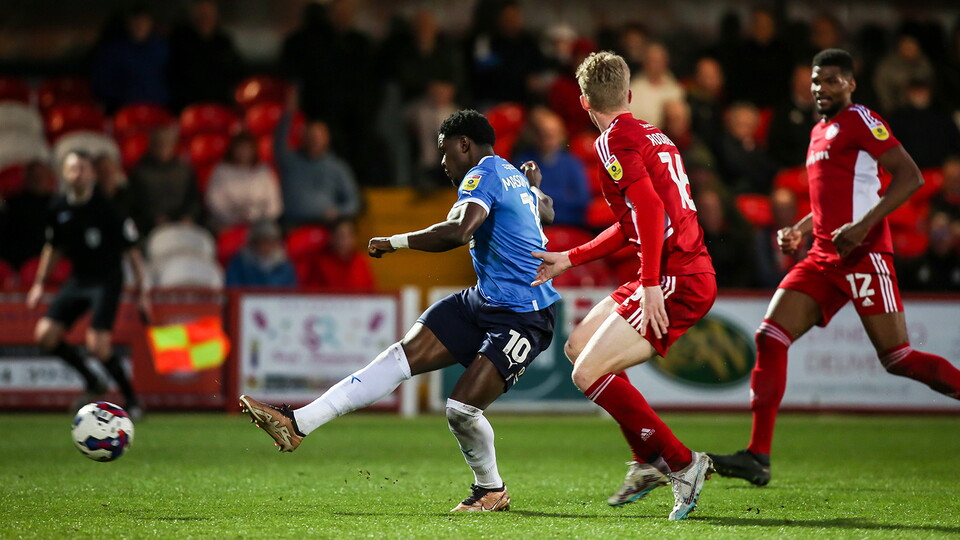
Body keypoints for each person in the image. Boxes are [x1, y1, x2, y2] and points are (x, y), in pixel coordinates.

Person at [239, 110, 560, 512]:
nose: (442, 163)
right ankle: (298, 423)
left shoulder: (483, 174)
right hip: (483, 300)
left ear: (465, 145)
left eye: (445, 152)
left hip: (523, 315)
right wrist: (534, 186)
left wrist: (394, 242)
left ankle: (490, 490)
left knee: (461, 410)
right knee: (398, 358)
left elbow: (459, 232)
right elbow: (545, 211)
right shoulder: (512, 174)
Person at [708, 49, 960, 486]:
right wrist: (803, 228)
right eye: (815, 82)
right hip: (823, 257)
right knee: (770, 337)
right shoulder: (819, 131)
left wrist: (863, 226)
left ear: (850, 84)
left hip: (864, 255)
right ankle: (757, 456)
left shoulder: (863, 120)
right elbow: (833, 196)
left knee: (897, 358)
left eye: (830, 81)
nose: (820, 89)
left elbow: (910, 176)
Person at [530, 51, 715, 520]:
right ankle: (646, 459)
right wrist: (570, 258)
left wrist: (651, 283)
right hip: (672, 269)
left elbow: (650, 211)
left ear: (583, 102)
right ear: (629, 96)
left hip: (675, 276)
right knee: (578, 346)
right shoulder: (656, 135)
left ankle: (682, 463)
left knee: (586, 375)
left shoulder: (611, 141)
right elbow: (631, 220)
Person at [26, 151, 149, 418]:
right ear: (64, 173)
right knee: (45, 336)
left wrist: (143, 292)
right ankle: (93, 382)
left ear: (91, 173)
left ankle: (133, 400)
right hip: (78, 279)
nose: (77, 174)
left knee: (98, 345)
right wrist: (39, 283)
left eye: (82, 168)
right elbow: (53, 247)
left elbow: (132, 252)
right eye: (71, 169)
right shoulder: (59, 208)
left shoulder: (108, 208)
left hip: (106, 280)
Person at [275, 91, 361, 226]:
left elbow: (354, 202)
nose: (313, 141)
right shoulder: (290, 162)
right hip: (292, 225)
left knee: (345, 231)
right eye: (310, 137)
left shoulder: (337, 167)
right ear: (304, 139)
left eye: (317, 138)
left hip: (326, 225)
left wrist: (339, 211)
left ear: (327, 140)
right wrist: (289, 114)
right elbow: (279, 143)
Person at [514, 107, 590, 227]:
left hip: (570, 224)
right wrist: (563, 196)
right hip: (533, 225)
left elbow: (582, 200)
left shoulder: (572, 163)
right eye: (544, 134)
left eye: (554, 134)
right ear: (534, 135)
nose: (550, 139)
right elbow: (520, 198)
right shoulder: (523, 163)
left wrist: (543, 197)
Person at [128, 125, 201, 237]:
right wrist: (153, 218)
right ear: (151, 145)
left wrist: (189, 216)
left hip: (183, 225)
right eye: (159, 143)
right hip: (151, 228)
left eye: (167, 143)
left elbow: (194, 198)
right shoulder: (139, 171)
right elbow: (135, 204)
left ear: (173, 146)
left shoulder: (184, 170)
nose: (163, 147)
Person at [205, 132, 283, 232]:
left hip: (260, 223)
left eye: (247, 148)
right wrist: (234, 220)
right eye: (240, 148)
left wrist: (263, 220)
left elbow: (274, 204)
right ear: (233, 150)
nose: (244, 152)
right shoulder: (221, 171)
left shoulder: (264, 172)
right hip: (226, 223)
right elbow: (214, 202)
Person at [303, 219, 375, 291]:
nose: (345, 240)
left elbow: (369, 292)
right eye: (341, 236)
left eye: (349, 235)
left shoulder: (361, 261)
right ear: (332, 237)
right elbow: (311, 294)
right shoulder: (320, 262)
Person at [224, 220, 297, 288]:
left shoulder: (284, 265)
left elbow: (290, 291)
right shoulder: (240, 263)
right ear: (253, 242)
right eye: (261, 241)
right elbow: (233, 288)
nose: (265, 246)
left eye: (269, 242)